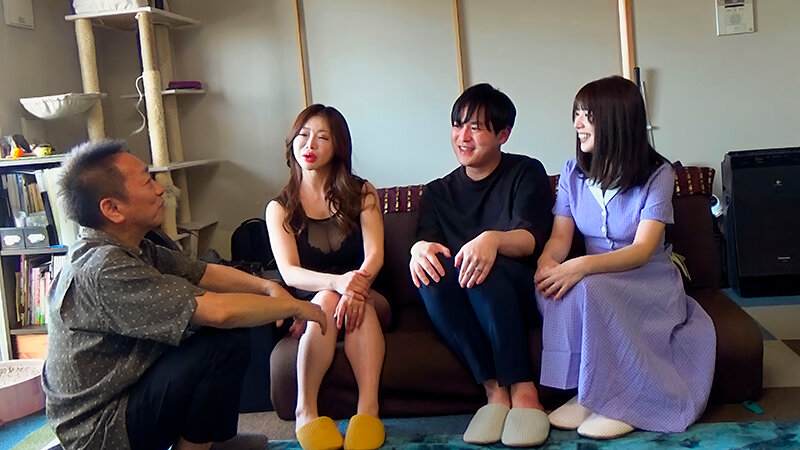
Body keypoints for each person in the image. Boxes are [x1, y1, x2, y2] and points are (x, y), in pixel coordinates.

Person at [43, 140, 327, 450]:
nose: (161, 190)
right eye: (147, 181)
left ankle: (205, 441)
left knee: (216, 333)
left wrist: (268, 287)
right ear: (112, 208)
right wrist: (297, 307)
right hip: (102, 429)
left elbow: (202, 272)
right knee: (222, 342)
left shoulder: (131, 247)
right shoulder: (104, 268)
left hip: (125, 392)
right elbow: (220, 312)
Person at [534, 75, 716, 439]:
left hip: (645, 277)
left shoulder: (658, 174)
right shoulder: (572, 174)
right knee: (555, 288)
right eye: (576, 114)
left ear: (615, 119)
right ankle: (589, 393)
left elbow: (642, 249)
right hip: (596, 276)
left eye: (586, 115)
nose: (577, 123)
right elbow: (559, 238)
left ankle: (623, 402)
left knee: (590, 289)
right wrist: (547, 264)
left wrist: (580, 266)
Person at [409, 83, 554, 447]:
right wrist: (418, 249)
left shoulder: (525, 172)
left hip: (519, 292)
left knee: (482, 268)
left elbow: (530, 239)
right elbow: (429, 246)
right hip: (465, 298)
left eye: (475, 127)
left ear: (503, 134)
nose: (463, 136)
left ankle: (524, 391)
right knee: (430, 276)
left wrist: (492, 240)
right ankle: (494, 392)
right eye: (458, 125)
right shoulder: (437, 192)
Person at [265, 105, 390, 450]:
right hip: (316, 300)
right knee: (326, 299)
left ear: (338, 147)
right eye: (303, 135)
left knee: (357, 302)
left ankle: (368, 410)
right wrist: (336, 283)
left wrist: (354, 287)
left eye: (322, 137)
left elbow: (375, 255)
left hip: (368, 293)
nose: (310, 144)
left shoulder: (362, 192)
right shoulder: (280, 208)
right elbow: (290, 272)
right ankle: (305, 410)